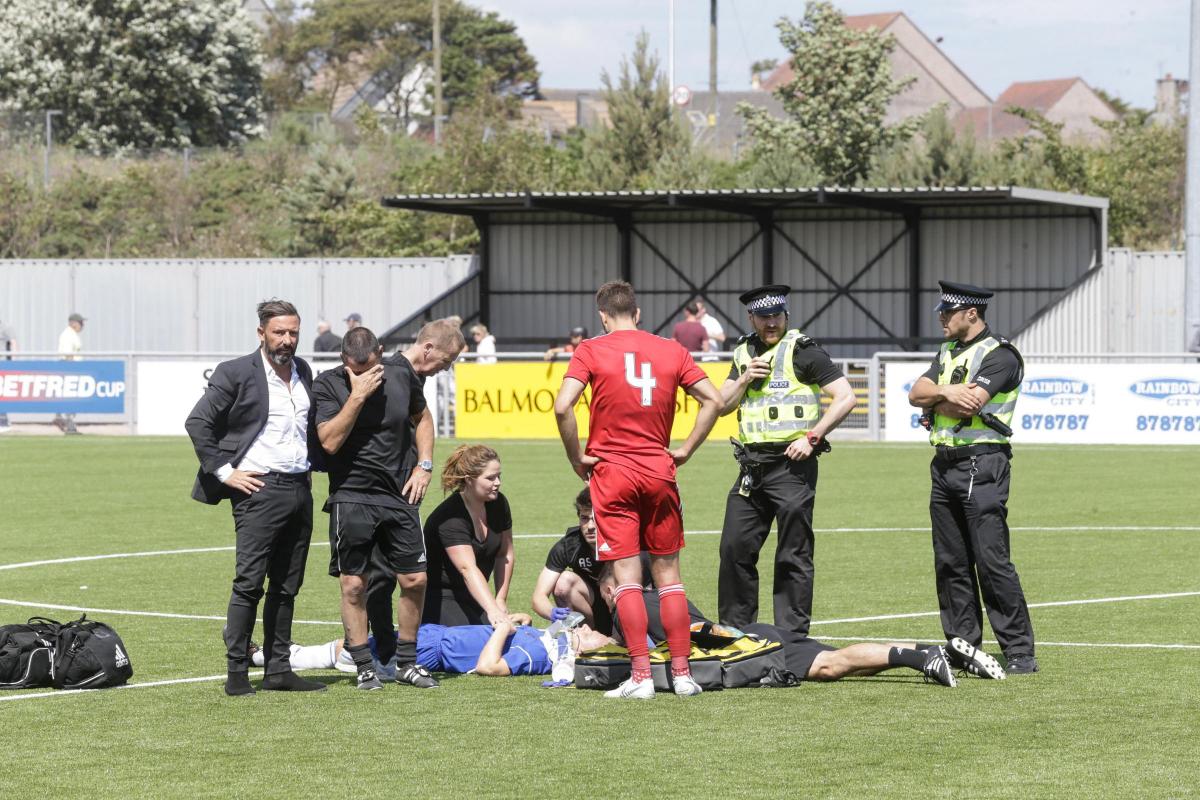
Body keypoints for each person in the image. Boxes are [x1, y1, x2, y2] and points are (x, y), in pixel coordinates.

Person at [553, 280, 723, 699]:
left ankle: (642, 677)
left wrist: (577, 457)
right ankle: (682, 675)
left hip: (613, 474)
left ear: (603, 316)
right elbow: (714, 401)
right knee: (669, 578)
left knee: (627, 578)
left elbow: (562, 406)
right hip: (658, 470)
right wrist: (684, 449)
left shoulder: (590, 350)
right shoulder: (672, 350)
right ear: (639, 313)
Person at [184, 300, 325, 696]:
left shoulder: (303, 372)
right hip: (258, 491)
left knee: (287, 584)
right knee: (250, 583)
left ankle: (279, 669)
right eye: (279, 332)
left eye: (293, 332)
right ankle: (237, 674)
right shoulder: (235, 372)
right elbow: (197, 422)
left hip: (300, 488)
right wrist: (226, 472)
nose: (287, 340)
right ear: (261, 333)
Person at [907, 280, 1037, 675]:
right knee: (950, 562)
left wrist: (937, 395)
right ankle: (964, 646)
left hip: (982, 465)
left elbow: (971, 405)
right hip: (944, 464)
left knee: (991, 560)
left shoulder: (1000, 355)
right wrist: (945, 390)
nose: (942, 318)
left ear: (971, 314)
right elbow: (915, 393)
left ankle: (1019, 651)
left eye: (947, 312)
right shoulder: (947, 351)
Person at [716, 285, 857, 637]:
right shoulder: (743, 351)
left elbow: (845, 397)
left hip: (792, 466)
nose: (771, 323)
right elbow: (721, 405)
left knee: (793, 552)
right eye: (763, 317)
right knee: (734, 547)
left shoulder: (803, 351)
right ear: (751, 318)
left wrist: (813, 437)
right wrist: (745, 377)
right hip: (751, 466)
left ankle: (792, 636)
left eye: (776, 316)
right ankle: (737, 633)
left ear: (786, 316)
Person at [312, 326, 438, 690]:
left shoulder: (401, 374)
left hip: (400, 496)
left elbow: (423, 419)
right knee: (354, 585)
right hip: (352, 497)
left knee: (415, 579)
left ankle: (406, 663)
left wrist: (424, 464)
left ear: (380, 353)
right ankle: (364, 666)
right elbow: (330, 442)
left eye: (370, 367)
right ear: (342, 359)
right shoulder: (328, 385)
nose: (364, 374)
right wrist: (358, 395)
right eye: (355, 368)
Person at [602, 579, 1001, 688]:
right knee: (846, 660)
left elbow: (692, 635)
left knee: (831, 666)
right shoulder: (655, 597)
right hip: (751, 634)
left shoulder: (634, 604)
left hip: (747, 646)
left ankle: (921, 660)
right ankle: (941, 651)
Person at [365, 318, 465, 678]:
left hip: (404, 489)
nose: (446, 368)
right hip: (378, 491)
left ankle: (394, 653)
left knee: (404, 575)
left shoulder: (413, 377)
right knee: (378, 577)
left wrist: (423, 465)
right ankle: (379, 654)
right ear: (428, 349)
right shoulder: (390, 372)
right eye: (446, 360)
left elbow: (422, 421)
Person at [529, 487, 652, 635]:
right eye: (584, 518)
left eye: (596, 518)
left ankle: (628, 637)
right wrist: (552, 612)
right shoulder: (569, 545)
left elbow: (650, 593)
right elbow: (538, 597)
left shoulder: (629, 543)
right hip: (592, 609)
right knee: (564, 582)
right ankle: (585, 638)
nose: (590, 526)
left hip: (627, 609)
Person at [422, 445, 514, 627]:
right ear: (469, 480)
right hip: (442, 596)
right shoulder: (450, 517)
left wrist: (500, 600)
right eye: (490, 478)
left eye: (498, 476)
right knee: (476, 642)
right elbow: (467, 569)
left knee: (506, 637)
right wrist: (493, 611)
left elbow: (505, 554)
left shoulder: (499, 503)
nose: (497, 483)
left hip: (477, 593)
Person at [55, 312, 84, 434]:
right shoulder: (68, 335)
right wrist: (73, 371)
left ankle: (62, 419)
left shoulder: (71, 334)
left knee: (70, 398)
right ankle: (66, 423)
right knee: (70, 398)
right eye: (81, 323)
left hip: (70, 367)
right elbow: (68, 355)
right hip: (69, 368)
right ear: (74, 323)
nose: (82, 326)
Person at [0, 318, 15, 432]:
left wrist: (14, 361)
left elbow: (13, 343)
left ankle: (3, 420)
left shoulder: (5, 326)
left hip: (2, 365)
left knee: (1, 393)